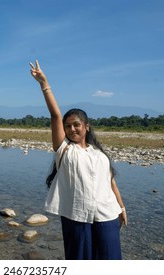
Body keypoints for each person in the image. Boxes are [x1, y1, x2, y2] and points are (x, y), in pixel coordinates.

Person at [29, 60, 127, 260]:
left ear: (86, 126)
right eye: (67, 126)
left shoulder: (99, 154)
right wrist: (44, 84)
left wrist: (122, 208)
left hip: (107, 215)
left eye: (76, 125)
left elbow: (111, 184)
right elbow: (55, 115)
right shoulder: (64, 150)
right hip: (76, 216)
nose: (71, 129)